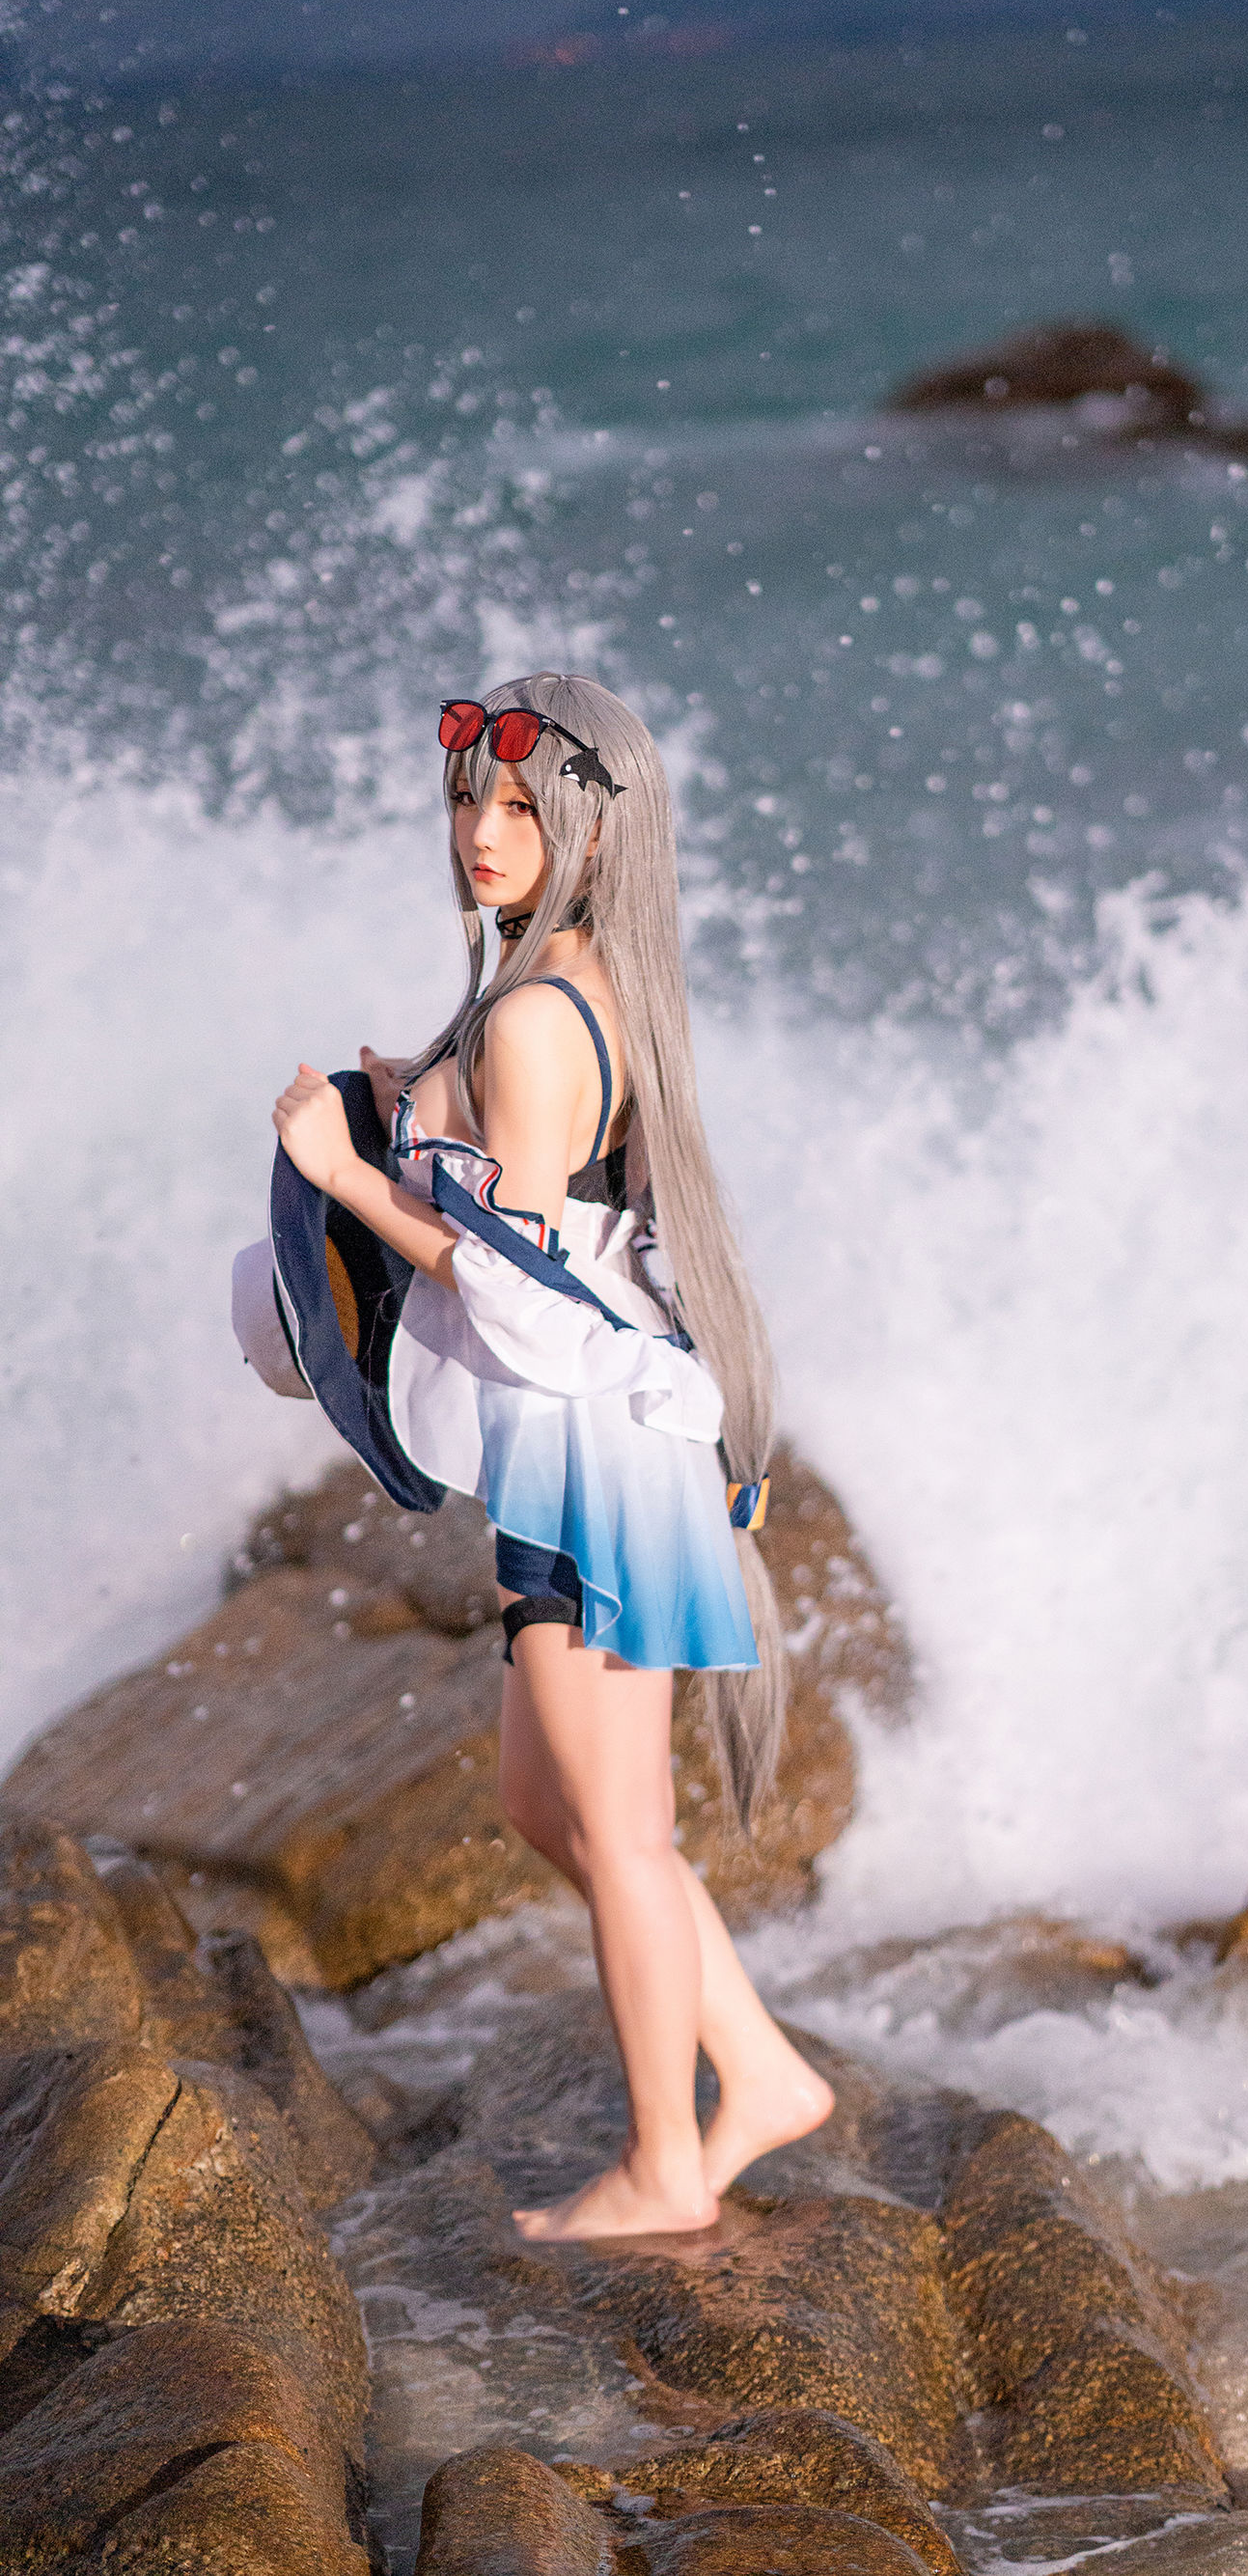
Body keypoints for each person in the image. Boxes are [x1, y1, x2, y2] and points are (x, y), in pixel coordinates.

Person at [268, 672, 833, 2238]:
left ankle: (666, 2163)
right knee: (545, 1804)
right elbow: (556, 1215)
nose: (483, 830)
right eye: (470, 798)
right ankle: (762, 2070)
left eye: (523, 806)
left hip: (595, 1459)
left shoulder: (532, 1016)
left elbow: (516, 1292)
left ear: (596, 830)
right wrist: (415, 1110)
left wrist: (347, 1175)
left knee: (626, 1836)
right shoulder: (567, 986)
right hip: (577, 1447)